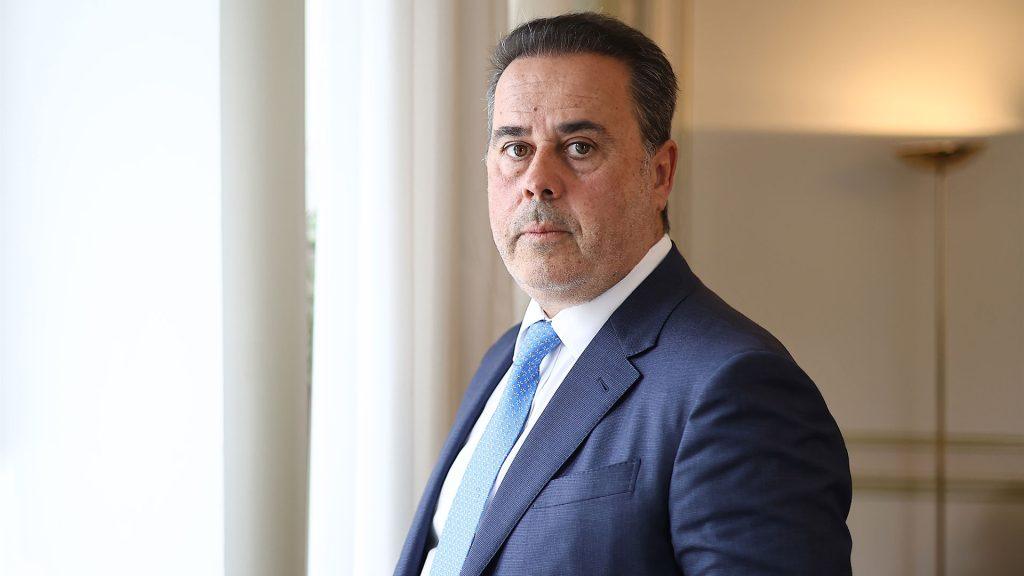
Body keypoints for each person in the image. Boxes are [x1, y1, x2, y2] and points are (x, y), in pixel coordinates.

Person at [395, 12, 852, 576]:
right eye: (516, 148)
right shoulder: (507, 359)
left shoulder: (736, 387)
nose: (537, 180)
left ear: (659, 173)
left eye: (579, 147)